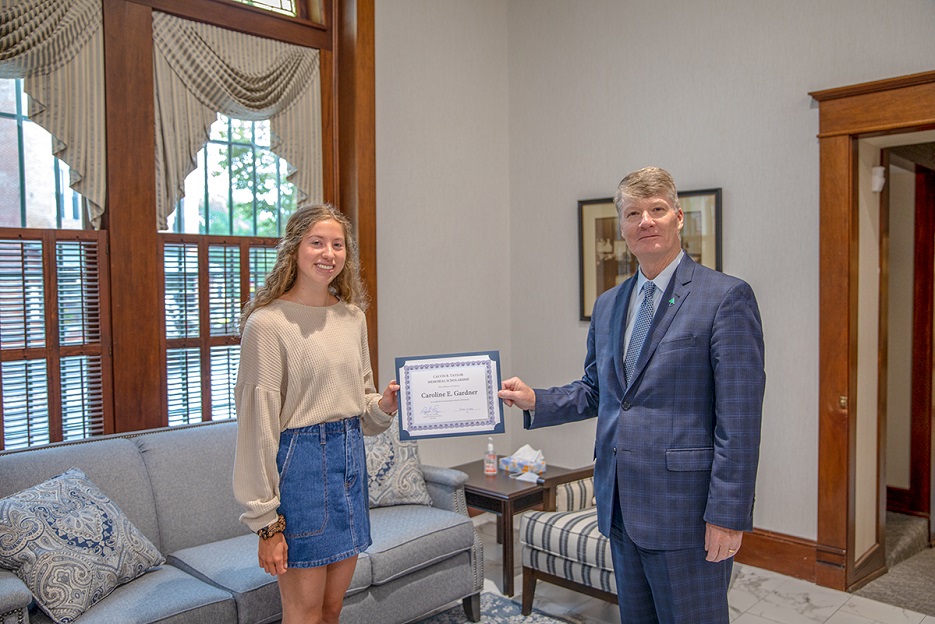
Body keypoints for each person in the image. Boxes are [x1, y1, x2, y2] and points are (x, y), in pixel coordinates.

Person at [499, 167, 765, 624]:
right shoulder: (610, 305)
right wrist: (535, 400)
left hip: (687, 514)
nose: (646, 221)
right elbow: (597, 392)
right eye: (633, 213)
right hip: (621, 507)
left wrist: (728, 515)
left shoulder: (724, 297)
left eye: (657, 210)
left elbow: (738, 421)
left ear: (679, 218)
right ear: (622, 227)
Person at [233, 204, 399, 624]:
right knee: (303, 612)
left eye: (337, 244)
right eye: (317, 243)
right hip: (301, 468)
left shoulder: (352, 317)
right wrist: (266, 524)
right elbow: (257, 431)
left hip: (350, 462)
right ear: (294, 250)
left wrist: (384, 406)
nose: (328, 253)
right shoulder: (267, 324)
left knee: (331, 608)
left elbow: (361, 403)